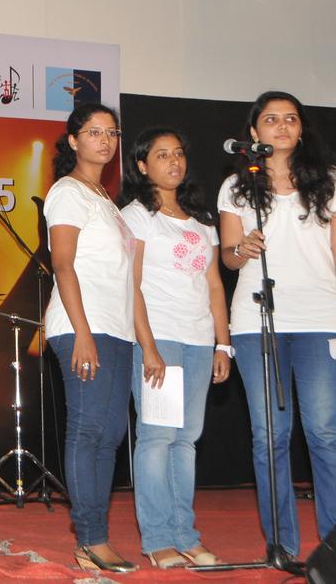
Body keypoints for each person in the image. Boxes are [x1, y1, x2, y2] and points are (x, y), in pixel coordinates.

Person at [218, 90, 336, 559]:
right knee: (270, 436)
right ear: (254, 131)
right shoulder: (236, 187)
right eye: (271, 119)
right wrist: (242, 249)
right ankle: (280, 544)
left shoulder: (331, 180)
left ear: (301, 129)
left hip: (322, 318)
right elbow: (228, 256)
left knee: (326, 433)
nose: (282, 126)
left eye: (291, 119)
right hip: (256, 321)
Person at [118, 127, 232, 568]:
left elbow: (215, 286)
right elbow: (132, 285)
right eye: (162, 155)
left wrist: (223, 344)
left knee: (186, 440)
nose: (174, 162)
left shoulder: (202, 220)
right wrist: (148, 346)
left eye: (178, 153)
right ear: (142, 165)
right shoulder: (136, 216)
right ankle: (158, 538)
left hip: (200, 339)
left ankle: (186, 534)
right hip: (160, 336)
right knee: (157, 437)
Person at [43, 103, 137, 573]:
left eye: (111, 132)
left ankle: (96, 535)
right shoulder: (67, 192)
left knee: (110, 435)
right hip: (83, 326)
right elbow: (63, 265)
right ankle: (90, 538)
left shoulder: (106, 200)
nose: (105, 140)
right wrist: (82, 332)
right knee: (88, 430)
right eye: (94, 132)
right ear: (74, 141)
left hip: (116, 329)